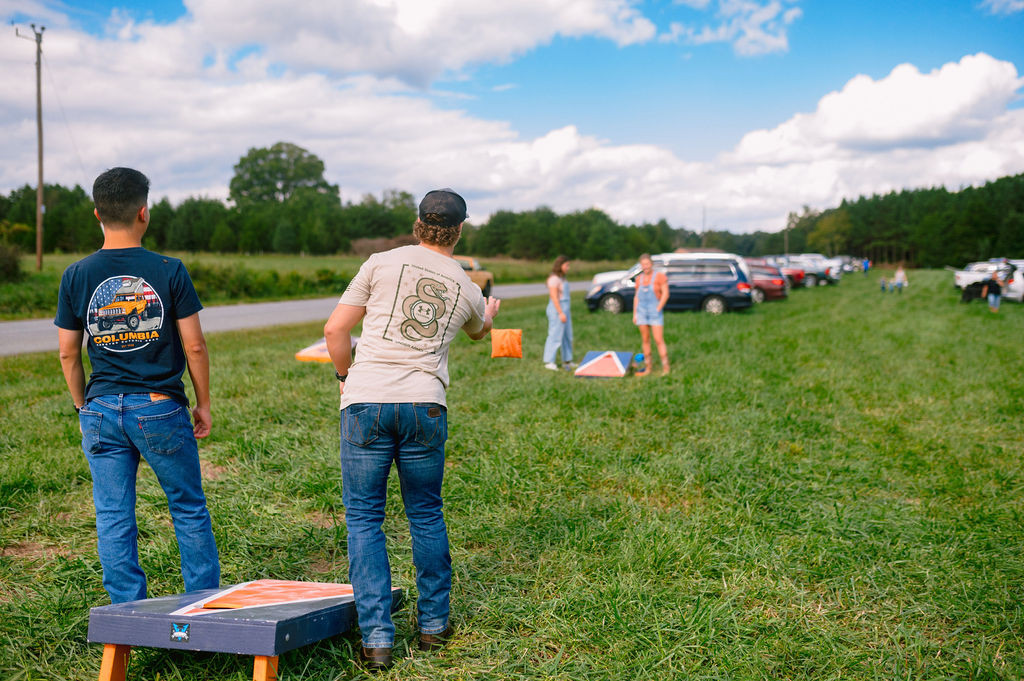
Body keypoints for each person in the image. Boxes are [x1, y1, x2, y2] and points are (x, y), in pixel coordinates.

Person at [324, 188, 500, 672]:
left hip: (367, 399)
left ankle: (378, 639)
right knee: (425, 513)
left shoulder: (380, 263)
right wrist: (488, 316)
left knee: (364, 519)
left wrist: (344, 377)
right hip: (425, 404)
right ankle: (433, 626)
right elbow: (478, 331)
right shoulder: (467, 286)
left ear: (418, 222)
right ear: (459, 230)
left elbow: (335, 331)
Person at [54, 167, 219, 604]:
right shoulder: (169, 270)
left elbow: (68, 353)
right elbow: (195, 346)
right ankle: (202, 606)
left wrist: (82, 406)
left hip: (100, 410)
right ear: (144, 212)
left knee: (112, 515)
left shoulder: (76, 274)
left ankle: (126, 612)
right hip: (160, 405)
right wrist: (203, 403)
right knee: (187, 507)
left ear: (97, 214)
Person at [632, 253, 670, 376]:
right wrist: (635, 314)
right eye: (643, 264)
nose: (645, 266)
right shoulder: (639, 279)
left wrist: (659, 307)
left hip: (655, 312)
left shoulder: (660, 277)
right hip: (641, 312)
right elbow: (636, 297)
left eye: (647, 264)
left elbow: (665, 293)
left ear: (651, 264)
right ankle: (648, 368)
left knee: (658, 340)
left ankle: (666, 368)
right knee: (645, 340)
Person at [543, 255, 574, 371]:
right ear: (560, 265)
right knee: (555, 335)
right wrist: (560, 312)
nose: (568, 268)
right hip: (557, 310)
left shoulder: (562, 278)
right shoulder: (553, 279)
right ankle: (549, 361)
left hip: (565, 309)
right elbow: (554, 297)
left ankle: (567, 360)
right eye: (567, 265)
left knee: (567, 336)